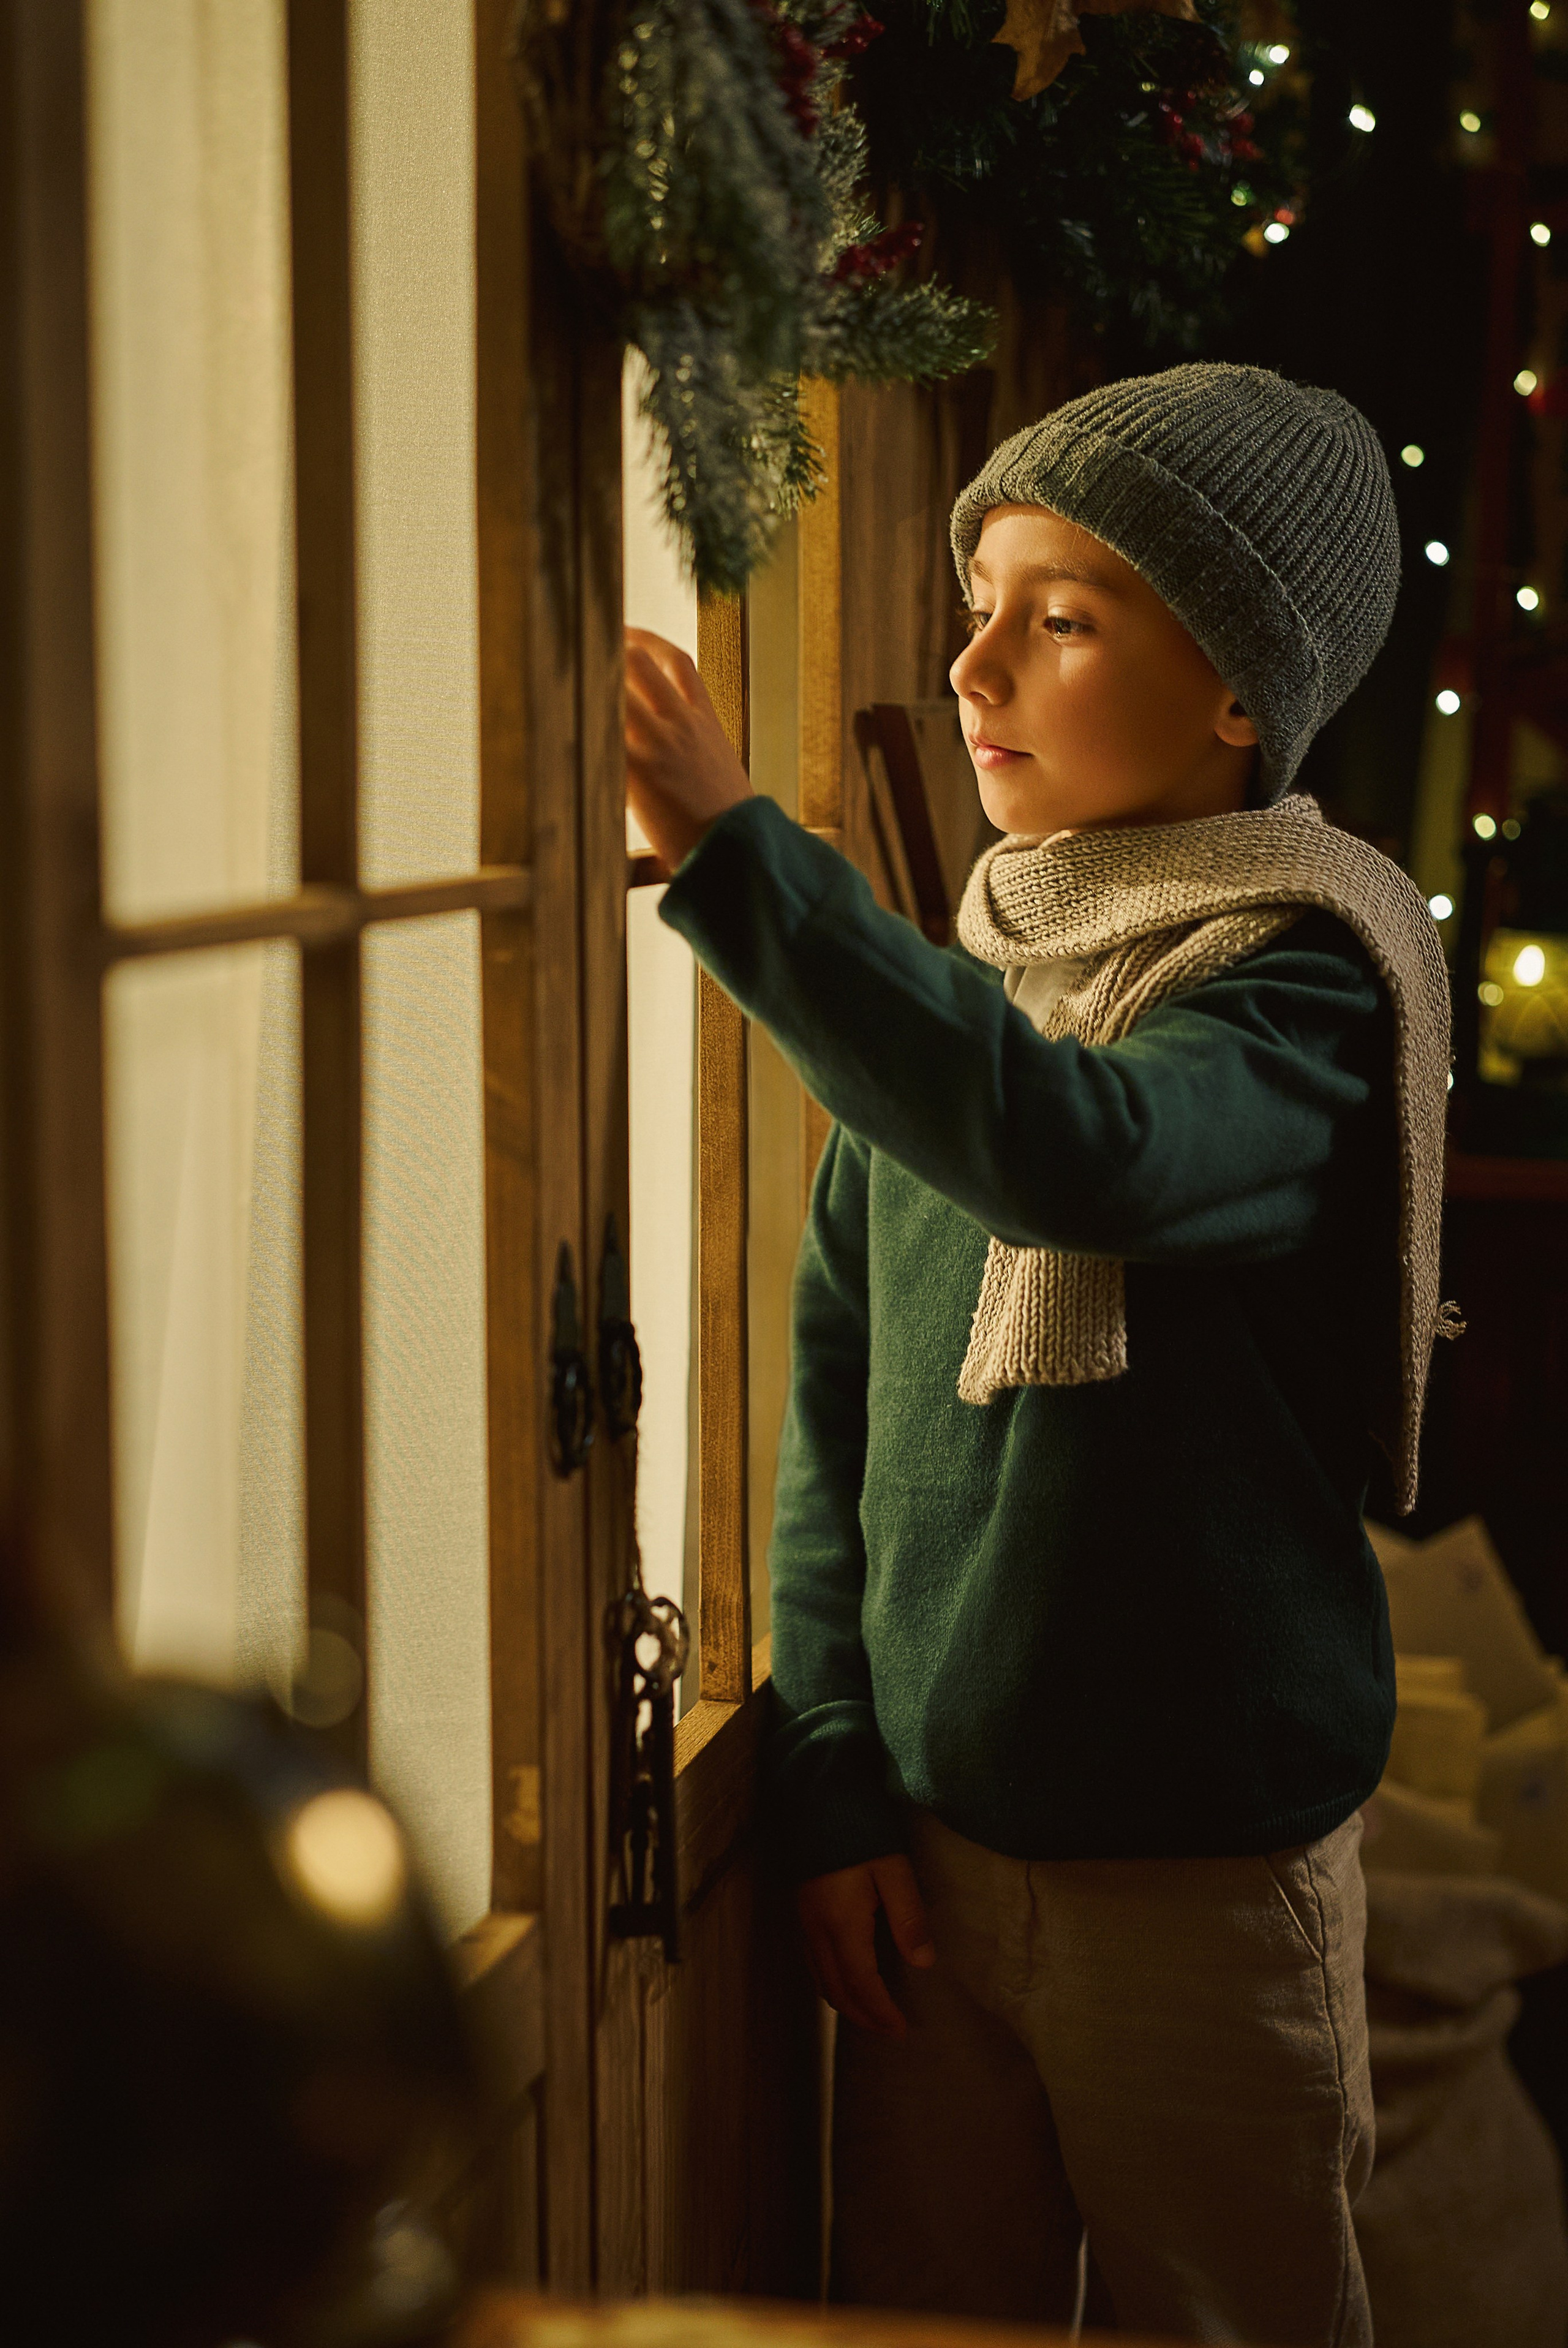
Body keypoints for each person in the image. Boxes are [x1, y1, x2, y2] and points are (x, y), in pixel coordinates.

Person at [624, 363, 1454, 2346]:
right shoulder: (974, 984)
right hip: (932, 1860)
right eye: (978, 593)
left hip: (1201, 1881)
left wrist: (740, 848)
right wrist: (826, 1778)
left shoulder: (1300, 996)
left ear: (1241, 690)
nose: (974, 659)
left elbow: (1086, 1156)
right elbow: (834, 1412)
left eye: (1062, 616)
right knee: (929, 2309)